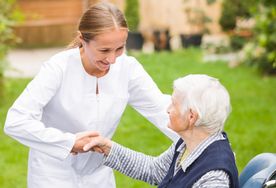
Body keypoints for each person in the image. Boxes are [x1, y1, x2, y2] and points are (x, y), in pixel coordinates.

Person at [4, 2, 177, 188]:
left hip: (99, 176)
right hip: (52, 176)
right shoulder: (58, 68)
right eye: (104, 50)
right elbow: (16, 121)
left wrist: (203, 142)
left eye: (120, 48)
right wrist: (69, 142)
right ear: (82, 39)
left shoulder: (127, 68)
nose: (112, 59)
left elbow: (162, 111)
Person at [83, 74, 240, 188]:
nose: (168, 110)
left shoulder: (213, 178)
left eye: (173, 104)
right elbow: (154, 171)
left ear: (191, 116)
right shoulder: (189, 144)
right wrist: (107, 148)